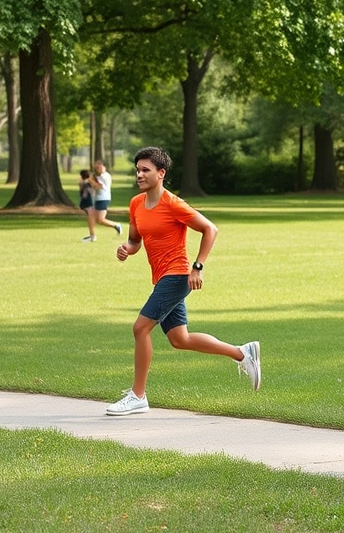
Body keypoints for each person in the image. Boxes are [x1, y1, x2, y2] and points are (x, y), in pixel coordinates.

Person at [107, 147, 261, 416]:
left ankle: (138, 395)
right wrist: (126, 249)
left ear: (161, 173)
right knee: (180, 339)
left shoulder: (173, 204)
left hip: (177, 275)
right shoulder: (136, 204)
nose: (139, 174)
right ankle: (241, 353)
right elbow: (135, 241)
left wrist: (197, 268)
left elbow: (210, 229)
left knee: (140, 329)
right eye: (138, 169)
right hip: (161, 278)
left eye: (146, 170)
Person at [83, 159, 123, 242]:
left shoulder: (105, 176)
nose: (98, 167)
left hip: (103, 199)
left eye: (99, 165)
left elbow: (99, 186)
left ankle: (116, 225)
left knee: (100, 220)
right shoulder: (99, 176)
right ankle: (92, 236)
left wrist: (91, 180)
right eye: (97, 166)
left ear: (104, 166)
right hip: (98, 199)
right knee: (91, 215)